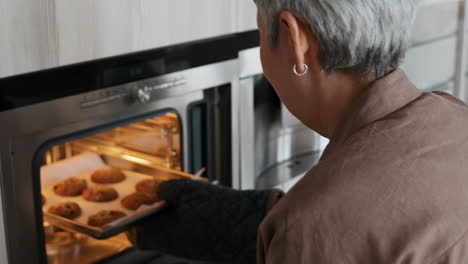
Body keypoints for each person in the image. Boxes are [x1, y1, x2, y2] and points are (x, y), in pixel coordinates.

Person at [129, 0, 468, 263]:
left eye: (260, 33)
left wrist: (298, 230)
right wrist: (260, 219)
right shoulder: (455, 115)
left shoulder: (312, 222)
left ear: (295, 41)